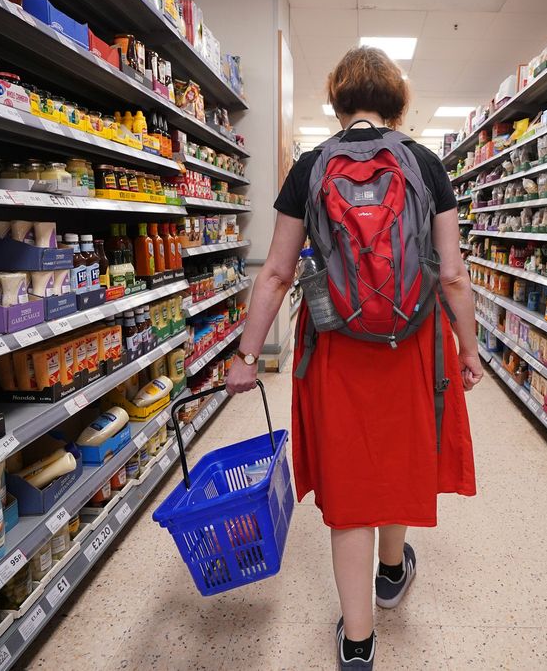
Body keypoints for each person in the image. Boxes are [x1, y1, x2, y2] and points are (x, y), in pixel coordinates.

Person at [225, 46, 481, 669]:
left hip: (336, 343)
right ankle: (392, 574)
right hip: (414, 340)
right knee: (398, 459)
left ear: (338, 100)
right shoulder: (424, 163)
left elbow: (277, 273)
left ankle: (359, 642)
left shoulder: (310, 167)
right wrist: (469, 349)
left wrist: (246, 355)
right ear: (397, 102)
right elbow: (450, 275)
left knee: (352, 481)